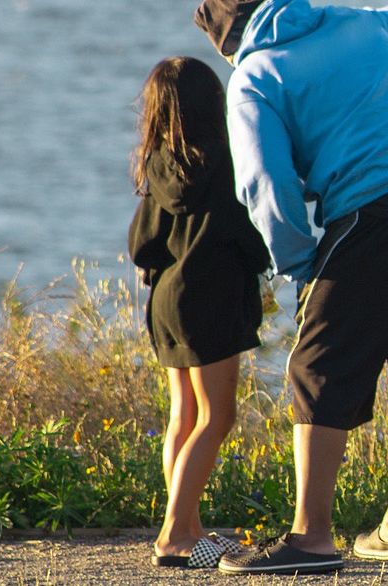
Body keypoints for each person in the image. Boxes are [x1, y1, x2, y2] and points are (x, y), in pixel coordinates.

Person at [193, 0, 388, 576]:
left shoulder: (253, 78)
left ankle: (311, 538)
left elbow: (265, 187)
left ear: (226, 43)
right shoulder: (349, 22)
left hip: (372, 208)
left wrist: (301, 264)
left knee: (318, 365)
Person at [128, 56, 271, 569]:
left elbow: (141, 244)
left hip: (166, 299)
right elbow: (249, 234)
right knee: (217, 416)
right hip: (212, 297)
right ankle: (173, 535)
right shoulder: (227, 160)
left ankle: (189, 527)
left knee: (182, 415)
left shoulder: (159, 162)